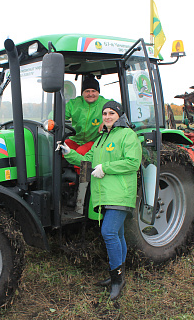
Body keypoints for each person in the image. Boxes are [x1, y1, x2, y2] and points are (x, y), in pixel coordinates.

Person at [58, 101, 142, 300]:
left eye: (111, 113)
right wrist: (69, 154)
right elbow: (87, 163)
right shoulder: (101, 139)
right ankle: (118, 275)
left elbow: (132, 162)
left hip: (120, 193)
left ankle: (116, 280)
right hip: (104, 195)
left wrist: (105, 168)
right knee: (118, 234)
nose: (107, 116)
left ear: (119, 115)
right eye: (104, 113)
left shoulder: (127, 135)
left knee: (109, 232)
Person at [65, 74, 111, 155]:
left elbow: (119, 114)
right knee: (61, 147)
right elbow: (56, 114)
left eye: (93, 91)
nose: (90, 94)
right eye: (87, 91)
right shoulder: (74, 103)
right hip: (77, 139)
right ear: (83, 92)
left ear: (98, 92)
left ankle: (79, 168)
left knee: (80, 153)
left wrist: (106, 122)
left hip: (96, 141)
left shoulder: (105, 103)